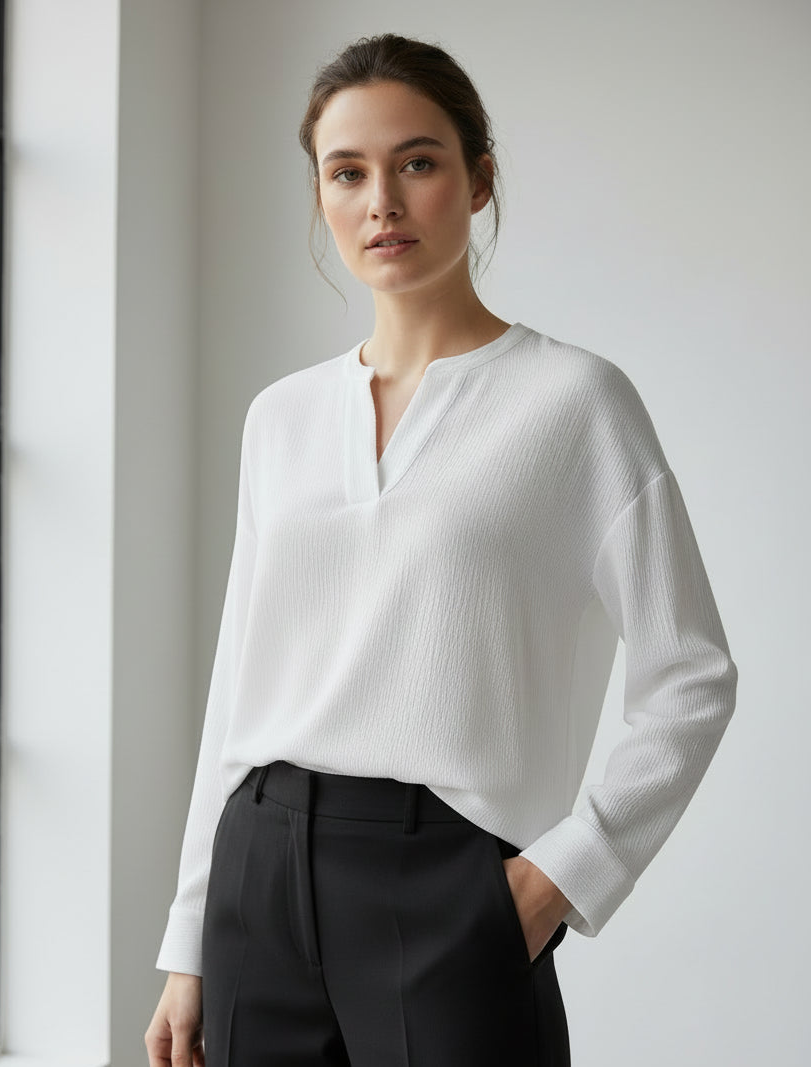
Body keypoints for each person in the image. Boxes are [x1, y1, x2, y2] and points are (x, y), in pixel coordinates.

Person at [145, 32, 738, 1067]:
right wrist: (189, 937)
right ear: (321, 196)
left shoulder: (574, 403)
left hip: (447, 883)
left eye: (416, 162)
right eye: (347, 172)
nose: (381, 201)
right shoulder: (280, 418)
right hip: (257, 874)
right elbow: (238, 685)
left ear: (479, 181)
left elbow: (692, 674)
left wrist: (560, 875)